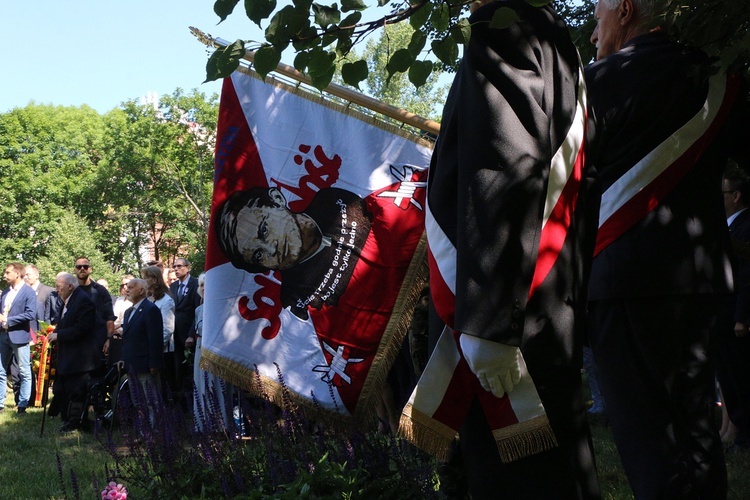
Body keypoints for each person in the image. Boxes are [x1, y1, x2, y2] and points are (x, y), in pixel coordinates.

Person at [416, 0, 599, 497]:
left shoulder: (503, 29)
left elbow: (503, 168)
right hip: (541, 306)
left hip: (500, 325)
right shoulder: (553, 36)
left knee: (511, 482)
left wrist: (489, 326)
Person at [585, 0, 749, 496]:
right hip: (703, 285)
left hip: (620, 285)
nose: (595, 34)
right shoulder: (715, 82)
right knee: (698, 436)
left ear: (626, 11)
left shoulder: (594, 84)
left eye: (598, 19)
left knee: (648, 443)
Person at [216, 186, 371, 319]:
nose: (271, 249)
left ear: (276, 199)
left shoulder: (334, 201)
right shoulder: (296, 301)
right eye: (258, 255)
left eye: (264, 230)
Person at [717, 171, 750, 451]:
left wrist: (741, 316)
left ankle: (745, 433)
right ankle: (734, 428)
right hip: (723, 314)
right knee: (728, 374)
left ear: (736, 196)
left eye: (723, 194)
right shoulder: (730, 227)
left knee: (740, 374)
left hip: (736, 315)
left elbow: (746, 274)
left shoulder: (746, 226)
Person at [46, 272, 98, 433]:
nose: (56, 290)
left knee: (76, 390)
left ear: (70, 286)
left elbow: (82, 328)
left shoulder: (83, 301)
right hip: (67, 353)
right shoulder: (66, 299)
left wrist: (59, 335)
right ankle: (66, 418)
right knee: (60, 389)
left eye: (59, 287)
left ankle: (76, 421)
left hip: (80, 356)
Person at [191, 272, 232, 431]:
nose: (203, 288)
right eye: (201, 285)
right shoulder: (199, 309)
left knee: (216, 385)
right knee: (201, 385)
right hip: (200, 351)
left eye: (206, 284)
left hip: (216, 351)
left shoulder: (223, 307)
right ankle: (203, 425)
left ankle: (219, 425)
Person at [120, 278, 164, 424]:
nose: (127, 289)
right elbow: (127, 339)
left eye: (131, 287)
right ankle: (143, 430)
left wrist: (154, 363)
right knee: (138, 401)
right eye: (127, 287)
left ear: (141, 290)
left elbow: (155, 339)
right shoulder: (127, 312)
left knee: (152, 401)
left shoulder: (151, 309)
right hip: (131, 365)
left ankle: (156, 431)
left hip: (145, 364)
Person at [0, 262, 37, 413]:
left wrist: (8, 320)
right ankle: (1, 404)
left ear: (17, 273)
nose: (4, 275)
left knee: (24, 370)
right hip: (3, 335)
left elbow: (30, 314)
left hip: (19, 336)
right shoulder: (6, 293)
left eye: (8, 273)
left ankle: (22, 404)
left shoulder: (28, 292)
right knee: (1, 370)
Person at [74, 257, 115, 370]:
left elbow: (109, 317)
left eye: (85, 266)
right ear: (75, 270)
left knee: (95, 378)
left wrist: (108, 339)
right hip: (75, 342)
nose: (82, 269)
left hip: (96, 342)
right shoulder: (71, 290)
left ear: (90, 269)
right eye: (79, 267)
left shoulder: (100, 291)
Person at [141, 266, 175, 399]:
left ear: (154, 280)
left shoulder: (166, 301)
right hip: (147, 351)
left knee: (162, 390)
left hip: (162, 352)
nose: (143, 280)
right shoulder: (148, 299)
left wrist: (155, 348)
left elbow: (167, 329)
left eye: (145, 278)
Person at [168, 258, 200, 399]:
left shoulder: (196, 284)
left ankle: (194, 396)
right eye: (174, 266)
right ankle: (180, 399)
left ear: (188, 268)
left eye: (179, 266)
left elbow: (197, 310)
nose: (176, 269)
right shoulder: (173, 287)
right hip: (175, 334)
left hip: (189, 333)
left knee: (191, 367)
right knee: (177, 367)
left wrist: (191, 334)